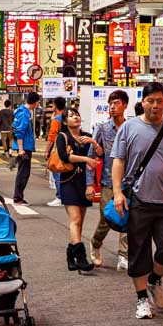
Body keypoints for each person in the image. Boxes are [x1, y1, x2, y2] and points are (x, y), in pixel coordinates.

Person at [111, 81, 163, 320]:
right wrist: (117, 192)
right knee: (139, 252)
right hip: (139, 200)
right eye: (150, 101)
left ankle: (155, 280)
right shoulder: (129, 128)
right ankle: (142, 299)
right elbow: (118, 161)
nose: (155, 106)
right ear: (142, 102)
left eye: (160, 101)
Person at [56, 107, 101, 272]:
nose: (75, 117)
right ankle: (81, 258)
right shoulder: (63, 137)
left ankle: (70, 254)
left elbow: (100, 155)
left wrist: (94, 143)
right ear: (65, 121)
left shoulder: (88, 136)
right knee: (75, 219)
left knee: (79, 222)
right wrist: (86, 159)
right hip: (69, 181)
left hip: (85, 182)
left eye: (76, 114)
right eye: (70, 116)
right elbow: (64, 156)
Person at [91, 90, 130, 269]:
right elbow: (92, 158)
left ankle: (124, 255)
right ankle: (96, 243)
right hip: (108, 182)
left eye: (117, 103)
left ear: (125, 106)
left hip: (128, 182)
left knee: (127, 219)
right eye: (111, 103)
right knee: (107, 219)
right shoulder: (102, 128)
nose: (113, 107)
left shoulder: (131, 127)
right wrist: (88, 184)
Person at [10, 92, 38, 204]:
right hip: (24, 147)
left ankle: (18, 196)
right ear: (35, 102)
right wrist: (21, 149)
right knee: (23, 172)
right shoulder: (24, 113)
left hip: (24, 146)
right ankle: (18, 197)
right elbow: (20, 132)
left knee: (23, 171)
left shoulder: (22, 111)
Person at [44, 96, 68, 206]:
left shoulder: (57, 120)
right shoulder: (69, 117)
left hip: (59, 149)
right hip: (70, 149)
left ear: (55, 106)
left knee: (57, 171)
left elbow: (52, 136)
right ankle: (66, 196)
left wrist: (47, 151)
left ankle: (60, 197)